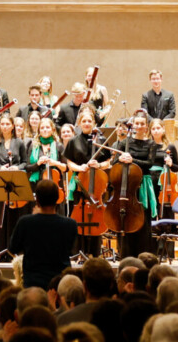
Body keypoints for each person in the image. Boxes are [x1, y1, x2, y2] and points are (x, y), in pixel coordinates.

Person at [9, 179, 78, 289]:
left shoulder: (25, 222)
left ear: (37, 200)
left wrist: (34, 218)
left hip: (33, 283)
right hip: (59, 283)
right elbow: (70, 251)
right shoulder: (70, 224)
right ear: (57, 199)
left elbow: (13, 248)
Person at [63, 107, 109, 256]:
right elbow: (69, 162)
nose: (87, 123)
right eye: (84, 121)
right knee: (79, 216)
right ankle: (79, 253)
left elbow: (108, 162)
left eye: (89, 121)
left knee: (96, 215)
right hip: (80, 183)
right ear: (80, 123)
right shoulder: (73, 141)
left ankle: (95, 252)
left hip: (97, 185)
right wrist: (80, 167)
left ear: (94, 123)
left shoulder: (101, 140)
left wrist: (99, 165)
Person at [116, 111, 162, 258]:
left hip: (143, 184)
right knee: (127, 218)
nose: (139, 126)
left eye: (142, 124)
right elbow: (114, 162)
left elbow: (149, 163)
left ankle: (143, 255)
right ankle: (126, 255)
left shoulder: (151, 144)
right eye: (137, 123)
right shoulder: (124, 143)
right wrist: (120, 159)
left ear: (146, 126)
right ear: (133, 125)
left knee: (143, 219)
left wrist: (132, 160)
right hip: (127, 185)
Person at [0, 113, 29, 254]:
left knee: (14, 217)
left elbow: (25, 162)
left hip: (15, 183)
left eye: (7, 124)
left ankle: (13, 251)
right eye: (2, 124)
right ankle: (1, 252)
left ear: (12, 126)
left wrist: (17, 167)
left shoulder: (19, 142)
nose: (5, 127)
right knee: (0, 218)